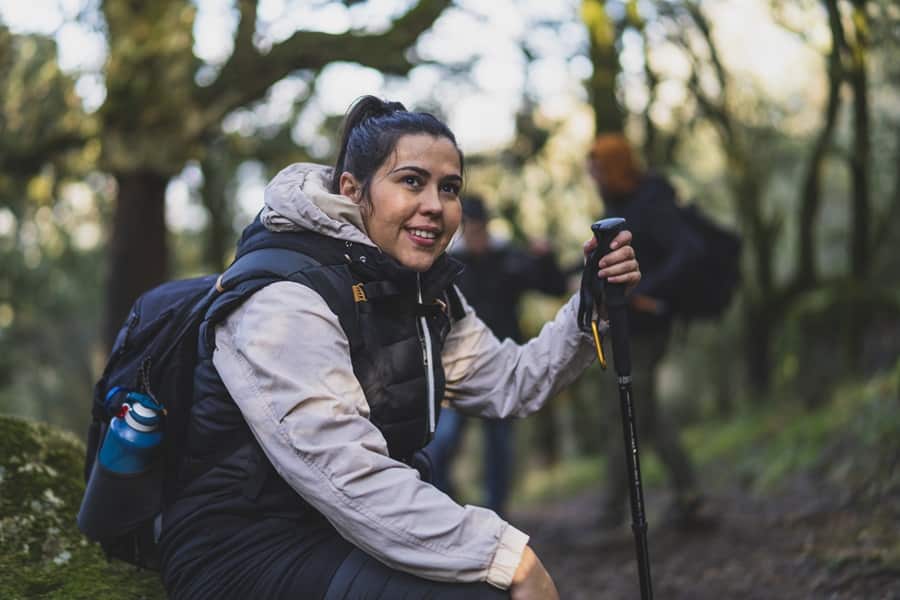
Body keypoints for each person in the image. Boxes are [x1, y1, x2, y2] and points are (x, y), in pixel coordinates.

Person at [158, 96, 641, 600]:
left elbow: (509, 383)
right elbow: (344, 472)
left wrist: (592, 310)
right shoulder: (284, 300)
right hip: (242, 549)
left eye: (449, 188)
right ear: (353, 190)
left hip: (340, 528)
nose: (435, 204)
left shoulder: (423, 289)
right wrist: (506, 554)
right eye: (412, 181)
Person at [586, 133, 705, 529]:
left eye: (599, 169)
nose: (594, 177)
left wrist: (645, 291)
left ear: (615, 166)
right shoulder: (620, 205)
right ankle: (688, 493)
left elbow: (688, 250)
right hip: (623, 324)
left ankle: (611, 511)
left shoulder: (650, 202)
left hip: (644, 329)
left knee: (622, 413)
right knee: (643, 414)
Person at [424, 196, 568, 518]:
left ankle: (497, 512)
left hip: (501, 366)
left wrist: (545, 259)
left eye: (480, 228)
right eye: (470, 229)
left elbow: (553, 286)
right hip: (455, 370)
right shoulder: (447, 266)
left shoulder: (509, 258)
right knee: (440, 442)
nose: (476, 235)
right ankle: (447, 508)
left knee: (499, 446)